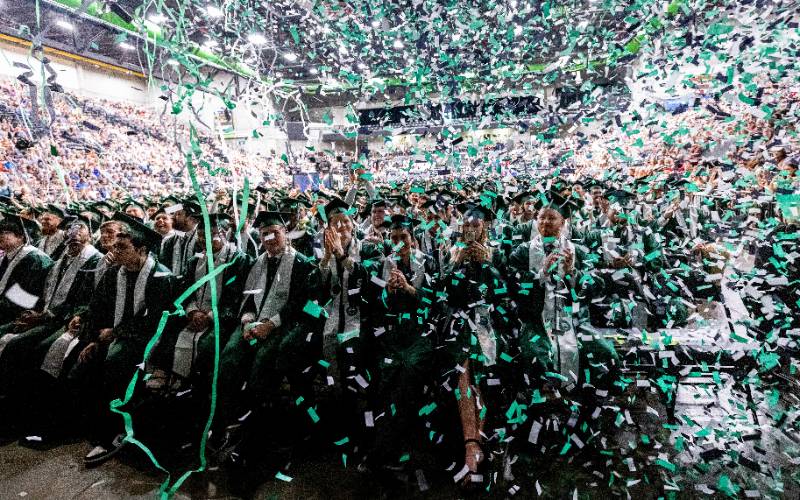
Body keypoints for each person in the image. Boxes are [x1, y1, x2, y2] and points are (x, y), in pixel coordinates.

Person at [212, 210, 319, 455]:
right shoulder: (256, 262)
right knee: (229, 357)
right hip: (254, 323)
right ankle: (227, 421)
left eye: (275, 233)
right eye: (264, 234)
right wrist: (247, 321)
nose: (270, 238)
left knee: (262, 362)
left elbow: (302, 304)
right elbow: (248, 297)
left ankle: (257, 427)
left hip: (284, 325)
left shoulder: (302, 263)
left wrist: (270, 324)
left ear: (286, 234)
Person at [74, 212, 175, 466]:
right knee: (84, 361)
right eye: (115, 246)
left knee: (115, 361)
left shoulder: (161, 277)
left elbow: (156, 321)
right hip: (114, 336)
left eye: (122, 247)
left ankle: (113, 434)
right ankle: (93, 427)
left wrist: (116, 333)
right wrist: (94, 339)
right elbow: (98, 309)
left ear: (141, 250)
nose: (114, 251)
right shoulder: (114, 273)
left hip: (148, 341)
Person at [438, 203, 514, 489]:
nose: (471, 229)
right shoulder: (452, 251)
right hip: (459, 326)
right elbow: (443, 293)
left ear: (485, 227)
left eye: (476, 225)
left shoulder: (499, 252)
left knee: (481, 363)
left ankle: (474, 445)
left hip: (492, 325)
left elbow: (506, 295)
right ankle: (472, 444)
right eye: (467, 225)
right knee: (464, 364)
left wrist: (488, 265)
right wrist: (456, 264)